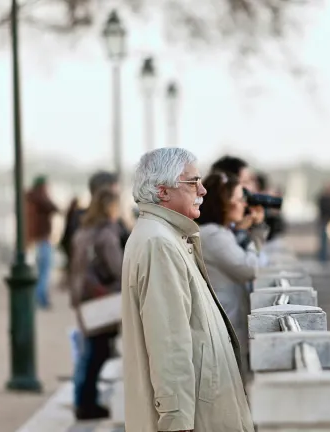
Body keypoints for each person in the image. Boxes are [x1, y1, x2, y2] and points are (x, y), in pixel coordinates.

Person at [122, 148, 254, 432]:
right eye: (193, 182)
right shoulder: (159, 243)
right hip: (196, 420)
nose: (203, 190)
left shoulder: (166, 236)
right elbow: (169, 343)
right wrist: (177, 422)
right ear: (163, 190)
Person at [196, 172, 265, 385]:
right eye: (239, 199)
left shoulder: (221, 232)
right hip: (224, 324)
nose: (245, 205)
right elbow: (249, 268)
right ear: (224, 204)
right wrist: (252, 240)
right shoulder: (213, 235)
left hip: (228, 320)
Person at [69, 188, 124, 420]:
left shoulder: (83, 232)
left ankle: (83, 400)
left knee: (89, 352)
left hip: (84, 297)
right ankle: (86, 403)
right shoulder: (107, 235)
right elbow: (118, 269)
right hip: (102, 300)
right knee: (96, 353)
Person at [210, 155, 266, 250]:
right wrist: (241, 232)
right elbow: (250, 263)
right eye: (245, 182)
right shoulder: (213, 233)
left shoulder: (236, 222)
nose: (251, 188)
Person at [25, 175, 59, 309]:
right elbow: (53, 207)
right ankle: (41, 298)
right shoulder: (40, 197)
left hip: (36, 240)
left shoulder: (31, 199)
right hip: (42, 240)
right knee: (45, 271)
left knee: (41, 272)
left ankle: (39, 298)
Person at [59, 197, 80, 289]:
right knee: (71, 264)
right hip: (70, 243)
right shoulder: (74, 214)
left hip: (67, 242)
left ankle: (65, 282)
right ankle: (66, 282)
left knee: (69, 264)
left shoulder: (70, 213)